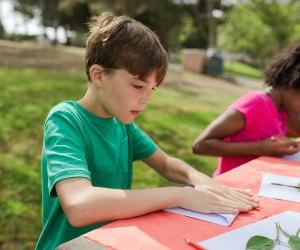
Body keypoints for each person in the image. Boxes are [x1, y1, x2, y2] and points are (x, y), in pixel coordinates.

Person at [36, 12, 258, 249]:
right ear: (99, 75)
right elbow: (80, 205)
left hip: (109, 242)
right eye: (138, 86)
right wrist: (180, 195)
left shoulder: (122, 125)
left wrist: (201, 180)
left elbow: (166, 164)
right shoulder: (66, 120)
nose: (147, 99)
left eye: (152, 89)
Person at [192, 42, 300, 177]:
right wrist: (261, 148)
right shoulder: (256, 104)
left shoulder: (281, 112)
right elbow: (200, 145)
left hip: (253, 187)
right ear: (292, 84)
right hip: (231, 186)